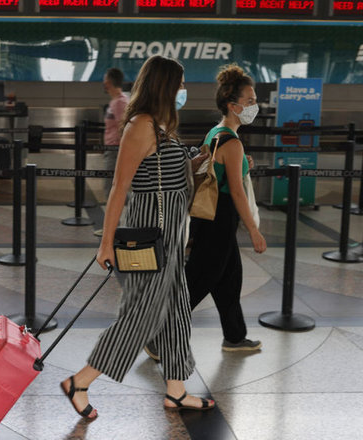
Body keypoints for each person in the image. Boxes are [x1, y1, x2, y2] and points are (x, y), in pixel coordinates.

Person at [60, 55, 214, 420]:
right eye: (179, 84)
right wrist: (106, 243)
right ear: (164, 85)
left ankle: (176, 390)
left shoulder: (161, 126)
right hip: (149, 235)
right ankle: (80, 381)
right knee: (143, 314)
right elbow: (120, 187)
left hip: (170, 236)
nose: (183, 90)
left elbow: (165, 175)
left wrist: (194, 164)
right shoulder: (141, 125)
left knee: (176, 310)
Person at [185, 64, 267, 352]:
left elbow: (215, 170)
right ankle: (158, 337)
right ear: (233, 106)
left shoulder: (217, 132)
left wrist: (243, 164)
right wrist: (254, 230)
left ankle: (234, 336)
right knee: (197, 281)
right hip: (219, 218)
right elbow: (236, 191)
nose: (255, 105)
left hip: (210, 216)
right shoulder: (232, 143)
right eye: (250, 101)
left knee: (230, 279)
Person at [94, 67, 130, 237]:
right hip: (112, 150)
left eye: (105, 80)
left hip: (116, 151)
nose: (103, 83)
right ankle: (114, 227)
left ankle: (113, 229)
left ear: (108, 82)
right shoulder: (116, 101)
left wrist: (123, 152)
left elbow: (125, 128)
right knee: (114, 188)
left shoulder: (120, 102)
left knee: (111, 189)